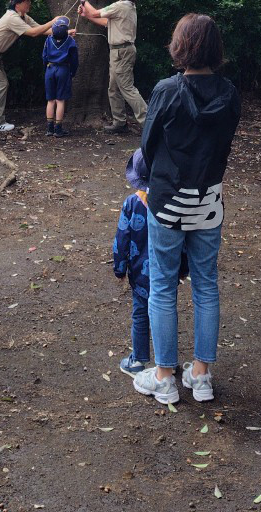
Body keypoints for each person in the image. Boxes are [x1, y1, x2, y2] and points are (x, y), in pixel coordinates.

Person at [131, 13, 241, 406]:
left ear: (180, 46)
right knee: (206, 284)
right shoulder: (230, 93)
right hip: (208, 201)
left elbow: (147, 145)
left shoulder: (166, 90)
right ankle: (201, 374)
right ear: (215, 48)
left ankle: (164, 378)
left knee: (162, 286)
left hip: (167, 200)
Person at [0, 0, 56, 133]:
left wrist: (64, 33)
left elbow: (39, 29)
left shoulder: (23, 16)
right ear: (18, 3)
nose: (29, 4)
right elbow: (33, 33)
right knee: (0, 85)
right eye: (27, 1)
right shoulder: (12, 18)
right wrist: (53, 21)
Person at [77, 0, 146, 134]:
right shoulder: (126, 7)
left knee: (127, 87)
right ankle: (119, 123)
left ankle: (149, 122)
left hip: (121, 52)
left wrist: (83, 0)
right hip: (119, 51)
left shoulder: (121, 6)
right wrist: (86, 15)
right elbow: (106, 22)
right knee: (113, 88)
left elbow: (95, 13)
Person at [112, 149, 152, 377]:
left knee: (140, 315)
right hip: (166, 272)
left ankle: (138, 359)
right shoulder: (170, 203)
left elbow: (122, 238)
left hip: (140, 274)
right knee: (165, 310)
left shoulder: (132, 203)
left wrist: (119, 269)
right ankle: (167, 360)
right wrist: (182, 268)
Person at [43, 16, 78, 137]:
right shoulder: (70, 41)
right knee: (60, 100)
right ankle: (58, 129)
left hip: (50, 69)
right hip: (63, 70)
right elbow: (74, 60)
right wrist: (72, 72)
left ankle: (49, 129)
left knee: (50, 100)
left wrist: (46, 69)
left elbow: (44, 56)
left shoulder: (48, 39)